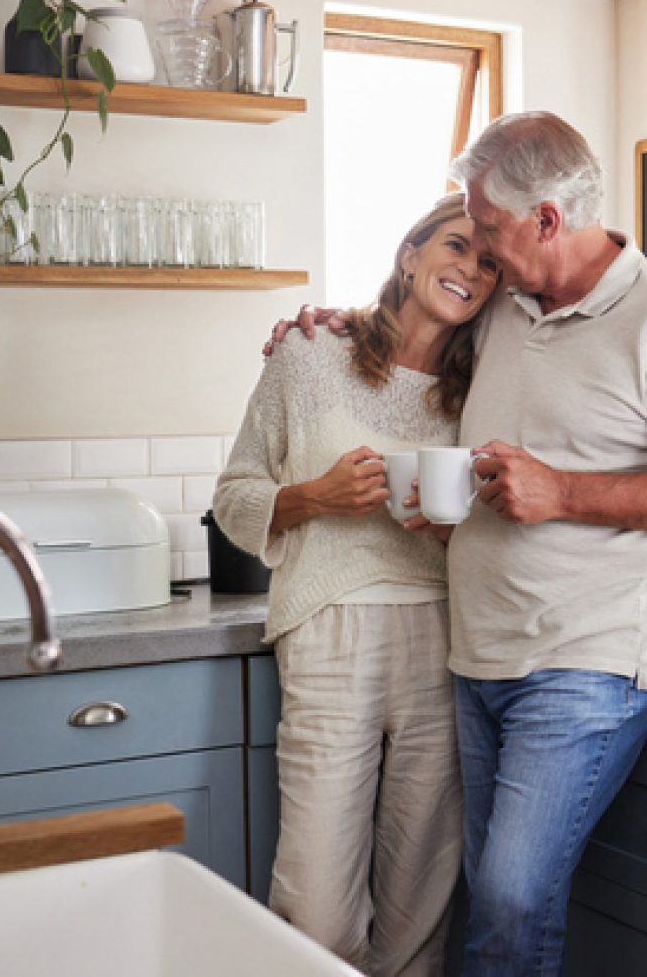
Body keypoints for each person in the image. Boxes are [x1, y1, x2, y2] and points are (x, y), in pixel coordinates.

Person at [281, 111, 647, 975]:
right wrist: (333, 324)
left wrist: (563, 491)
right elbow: (421, 313)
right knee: (487, 896)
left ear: (547, 217)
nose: (483, 249)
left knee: (508, 898)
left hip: (588, 662)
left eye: (492, 227)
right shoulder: (508, 302)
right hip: (479, 657)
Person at [215, 193, 499, 977]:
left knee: (420, 905)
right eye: (454, 246)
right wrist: (314, 497)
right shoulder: (311, 355)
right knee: (314, 906)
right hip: (330, 631)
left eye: (487, 263)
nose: (469, 269)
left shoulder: (486, 389)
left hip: (446, 638)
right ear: (409, 255)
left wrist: (449, 526)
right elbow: (234, 494)